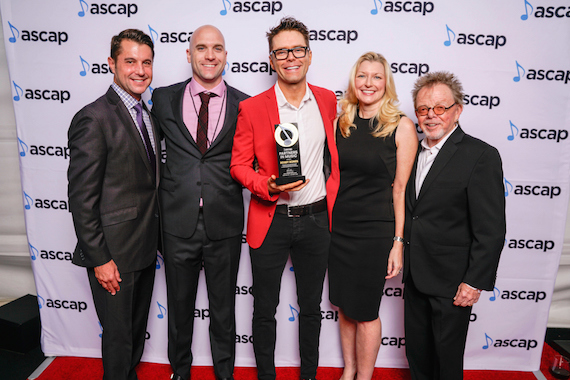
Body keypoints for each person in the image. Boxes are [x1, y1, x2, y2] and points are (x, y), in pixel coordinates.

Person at [230, 17, 338, 380]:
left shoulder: (326, 100)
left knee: (311, 307)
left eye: (297, 50)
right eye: (281, 52)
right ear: (272, 60)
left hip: (317, 219)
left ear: (309, 56)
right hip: (271, 218)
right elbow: (239, 166)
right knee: (264, 308)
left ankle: (309, 374)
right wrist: (266, 186)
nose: (290, 57)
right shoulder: (253, 108)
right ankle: (266, 375)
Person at [151, 25, 249, 380]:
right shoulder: (162, 99)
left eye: (217, 48)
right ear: (188, 54)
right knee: (179, 307)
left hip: (224, 222)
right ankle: (180, 372)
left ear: (225, 55)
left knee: (223, 309)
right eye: (202, 48)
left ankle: (225, 373)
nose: (210, 55)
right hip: (177, 222)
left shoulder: (246, 104)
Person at [68, 29, 159, 380]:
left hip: (144, 249)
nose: (140, 70)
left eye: (146, 62)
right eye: (130, 61)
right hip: (114, 257)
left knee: (133, 339)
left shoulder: (146, 114)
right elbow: (81, 198)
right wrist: (100, 259)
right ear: (112, 64)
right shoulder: (94, 118)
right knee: (118, 344)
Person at [403, 71, 506, 380]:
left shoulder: (480, 156)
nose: (431, 116)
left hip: (452, 282)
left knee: (446, 363)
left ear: (457, 110)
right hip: (415, 276)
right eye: (423, 109)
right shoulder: (411, 153)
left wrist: (474, 281)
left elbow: (491, 229)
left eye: (440, 108)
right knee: (418, 357)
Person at [328, 52, 418, 380]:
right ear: (354, 81)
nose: (369, 83)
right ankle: (349, 370)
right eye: (362, 76)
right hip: (340, 229)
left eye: (376, 77)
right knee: (344, 305)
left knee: (365, 311)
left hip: (376, 233)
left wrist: (398, 242)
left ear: (386, 83)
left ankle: (364, 377)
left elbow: (401, 189)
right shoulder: (343, 122)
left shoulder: (401, 125)